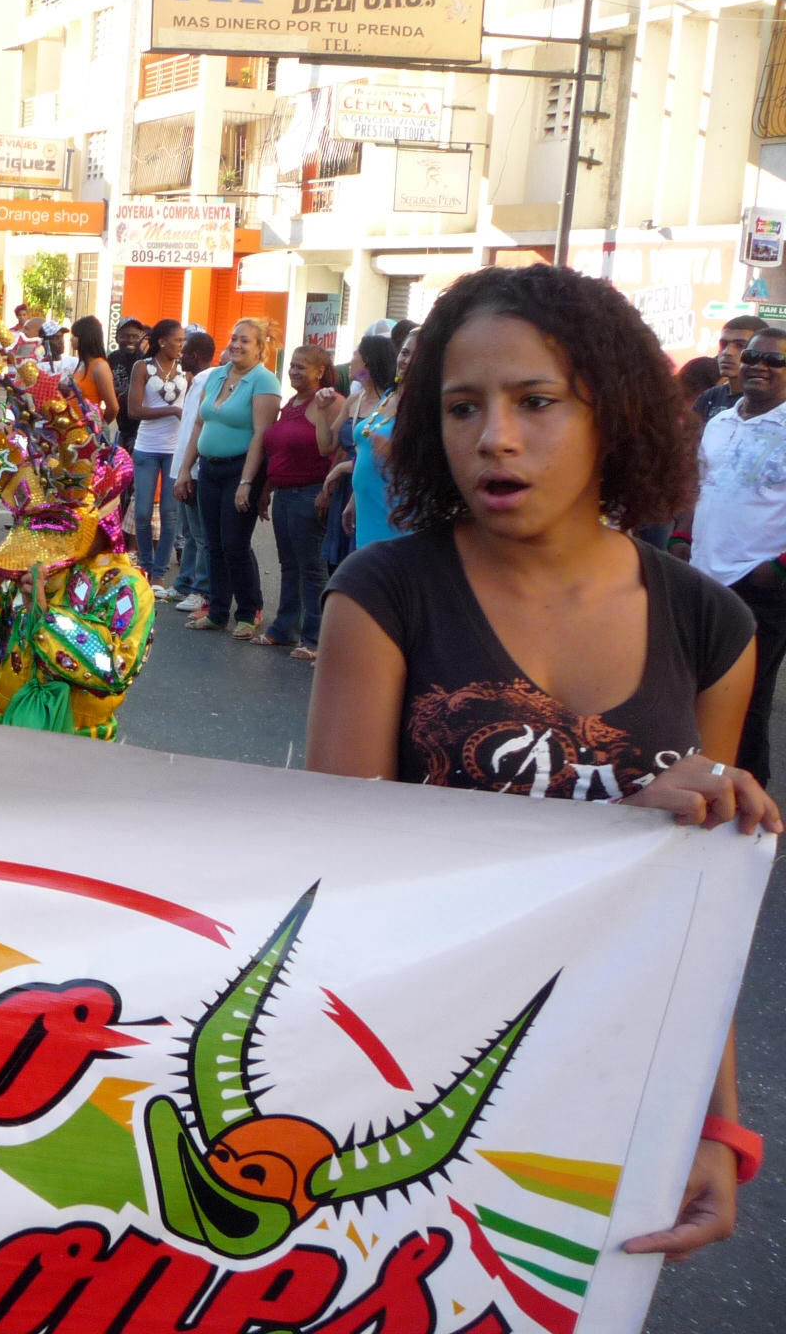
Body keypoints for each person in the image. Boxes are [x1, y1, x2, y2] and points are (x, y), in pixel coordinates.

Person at [308, 264, 776, 1268]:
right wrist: (606, 828)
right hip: (396, 1073)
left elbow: (698, 900)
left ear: (609, 413)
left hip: (601, 1074)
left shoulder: (709, 625)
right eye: (461, 407)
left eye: (535, 402)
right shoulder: (381, 594)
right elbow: (335, 873)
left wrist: (713, 1120)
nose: (494, 438)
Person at [0, 374, 153, 740]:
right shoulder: (29, 569)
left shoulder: (126, 586)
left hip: (78, 744)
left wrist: (46, 618)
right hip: (4, 726)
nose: (44, 541)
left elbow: (115, 670)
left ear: (103, 518)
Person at [688, 323, 786, 786]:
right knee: (692, 692)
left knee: (745, 702)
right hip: (702, 583)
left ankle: (747, 812)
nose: (758, 367)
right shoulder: (720, 420)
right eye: (752, 357)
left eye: (774, 360)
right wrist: (679, 541)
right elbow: (699, 486)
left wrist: (775, 570)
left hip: (759, 590)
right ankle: (698, 785)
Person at [175, 318, 279, 637]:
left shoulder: (264, 382)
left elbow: (261, 435)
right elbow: (198, 425)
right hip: (209, 466)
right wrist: (184, 469)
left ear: (260, 348)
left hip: (241, 469)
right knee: (213, 542)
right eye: (234, 338)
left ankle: (249, 610)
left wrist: (247, 482)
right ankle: (218, 610)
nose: (236, 344)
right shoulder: (218, 375)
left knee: (234, 543)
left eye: (245, 341)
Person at [257, 344, 339, 658]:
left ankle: (315, 638)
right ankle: (285, 628)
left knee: (312, 568)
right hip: (284, 494)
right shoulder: (292, 403)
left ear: (320, 371)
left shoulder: (329, 402)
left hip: (310, 493)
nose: (293, 371)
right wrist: (266, 488)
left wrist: (327, 491)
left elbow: (337, 448)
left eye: (301, 366)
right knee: (289, 564)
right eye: (291, 365)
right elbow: (278, 450)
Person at [318, 335, 394, 578]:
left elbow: (385, 455)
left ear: (369, 362)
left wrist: (342, 469)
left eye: (355, 355)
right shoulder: (355, 399)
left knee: (364, 565)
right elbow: (327, 446)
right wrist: (322, 411)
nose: (350, 361)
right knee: (338, 567)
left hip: (370, 487)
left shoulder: (392, 403)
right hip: (345, 490)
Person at [123, 317, 185, 585]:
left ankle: (159, 573)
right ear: (162, 341)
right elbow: (134, 410)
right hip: (147, 447)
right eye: (178, 340)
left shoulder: (186, 370)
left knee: (171, 513)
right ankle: (146, 565)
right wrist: (171, 410)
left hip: (175, 449)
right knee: (142, 511)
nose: (181, 346)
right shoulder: (143, 368)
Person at [350, 325, 419, 549]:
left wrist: (396, 454)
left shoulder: (428, 407)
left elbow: (435, 466)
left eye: (418, 355)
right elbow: (368, 454)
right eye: (405, 352)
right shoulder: (389, 395)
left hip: (397, 516)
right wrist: (354, 500)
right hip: (367, 511)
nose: (406, 360)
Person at [168, 330, 220, 613]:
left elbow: (196, 428)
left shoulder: (207, 381)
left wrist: (188, 468)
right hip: (185, 467)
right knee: (189, 532)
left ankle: (202, 590)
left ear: (196, 356)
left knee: (200, 535)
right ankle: (184, 583)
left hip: (195, 469)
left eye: (185, 351)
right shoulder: (195, 381)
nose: (180, 355)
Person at [108, 317, 150, 451]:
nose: (130, 340)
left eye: (135, 336)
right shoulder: (112, 358)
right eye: (126, 336)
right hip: (119, 426)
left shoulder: (146, 361)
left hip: (139, 429)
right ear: (117, 338)